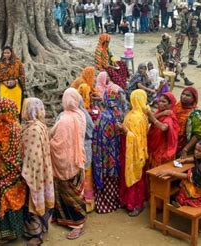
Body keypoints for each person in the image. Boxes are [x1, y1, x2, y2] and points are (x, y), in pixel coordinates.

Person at [50, 88, 87, 239]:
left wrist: (48, 141)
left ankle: (77, 223)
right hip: (78, 159)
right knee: (76, 192)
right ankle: (64, 218)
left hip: (66, 162)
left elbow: (57, 143)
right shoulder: (81, 115)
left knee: (68, 193)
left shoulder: (64, 119)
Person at [0, 98, 26, 244]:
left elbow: (12, 153)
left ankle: (11, 233)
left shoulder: (13, 128)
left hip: (10, 171)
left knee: (9, 199)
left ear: (5, 111)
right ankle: (5, 231)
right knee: (1, 198)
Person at [20, 98, 54, 245]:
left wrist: (26, 175)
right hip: (44, 171)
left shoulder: (32, 130)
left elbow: (32, 157)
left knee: (32, 200)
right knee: (40, 199)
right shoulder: (40, 125)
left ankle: (36, 234)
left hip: (35, 173)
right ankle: (42, 228)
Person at [157, 140, 201, 207]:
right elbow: (196, 158)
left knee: (187, 184)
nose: (196, 152)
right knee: (191, 179)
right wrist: (185, 160)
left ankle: (179, 201)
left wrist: (171, 172)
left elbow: (189, 177)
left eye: (199, 150)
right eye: (195, 149)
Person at [92, 85, 125, 214]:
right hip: (116, 153)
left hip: (105, 155)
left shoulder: (104, 116)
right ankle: (115, 200)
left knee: (105, 177)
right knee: (114, 178)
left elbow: (99, 136)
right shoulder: (120, 113)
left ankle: (105, 204)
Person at [117, 89, 149, 217]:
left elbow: (135, 137)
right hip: (130, 151)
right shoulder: (140, 114)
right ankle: (127, 201)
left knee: (135, 177)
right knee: (130, 175)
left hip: (134, 152)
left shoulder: (136, 117)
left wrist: (125, 131)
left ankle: (136, 204)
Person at [147, 92, 179, 168]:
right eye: (160, 101)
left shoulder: (169, 117)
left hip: (160, 149)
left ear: (170, 105)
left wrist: (153, 118)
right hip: (153, 145)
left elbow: (164, 127)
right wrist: (162, 114)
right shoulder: (160, 112)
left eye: (163, 102)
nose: (160, 103)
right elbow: (149, 120)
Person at [174, 87, 201, 158]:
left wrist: (185, 149)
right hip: (173, 141)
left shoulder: (195, 114)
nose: (184, 96)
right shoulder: (178, 106)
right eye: (183, 94)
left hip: (184, 145)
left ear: (193, 98)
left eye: (188, 95)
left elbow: (198, 135)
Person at [0, 46, 26, 114]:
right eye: (4, 53)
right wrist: (4, 81)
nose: (6, 54)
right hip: (4, 88)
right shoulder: (1, 63)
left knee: (15, 107)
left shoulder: (17, 62)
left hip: (16, 88)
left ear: (12, 53)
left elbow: (22, 74)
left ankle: (16, 122)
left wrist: (16, 81)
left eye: (8, 53)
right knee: (4, 106)